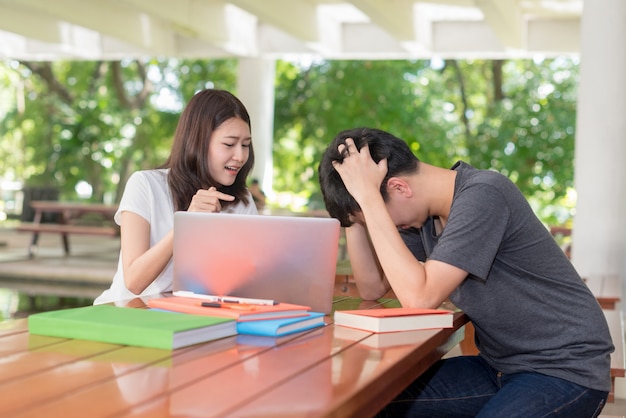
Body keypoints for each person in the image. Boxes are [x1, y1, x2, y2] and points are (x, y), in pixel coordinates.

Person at [318, 127, 613, 417]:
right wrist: (350, 216)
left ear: (399, 187)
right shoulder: (424, 220)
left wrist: (368, 199)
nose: (383, 224)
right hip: (497, 368)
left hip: (564, 370)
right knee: (369, 403)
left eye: (376, 212)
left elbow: (420, 298)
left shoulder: (484, 193)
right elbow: (372, 287)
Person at [94, 89, 257, 305]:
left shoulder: (241, 201)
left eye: (245, 145)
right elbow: (134, 282)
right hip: (129, 313)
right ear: (198, 141)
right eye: (229, 144)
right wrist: (186, 222)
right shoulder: (146, 185)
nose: (240, 156)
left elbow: (249, 280)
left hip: (193, 315)